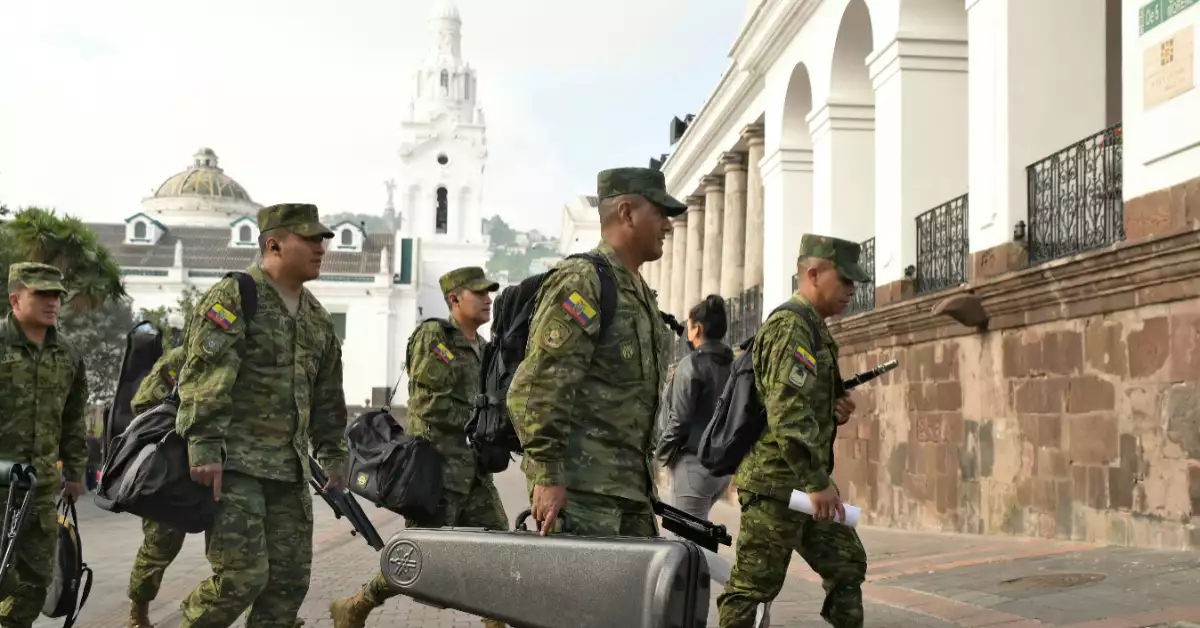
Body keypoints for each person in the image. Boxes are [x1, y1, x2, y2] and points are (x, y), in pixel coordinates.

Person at [175, 203, 349, 628]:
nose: (320, 247)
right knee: (241, 578)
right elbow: (205, 375)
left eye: (322, 239)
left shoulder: (317, 319)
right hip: (236, 468)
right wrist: (203, 445)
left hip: (290, 474)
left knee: (288, 583)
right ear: (273, 244)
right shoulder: (236, 295)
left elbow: (327, 397)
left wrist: (335, 454)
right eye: (309, 239)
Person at [507, 166, 683, 537]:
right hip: (581, 494)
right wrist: (549, 475)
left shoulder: (638, 292)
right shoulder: (583, 282)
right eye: (660, 213)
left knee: (641, 594)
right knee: (579, 596)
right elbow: (537, 388)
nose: (668, 226)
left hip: (629, 493)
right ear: (627, 213)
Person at [330, 266, 508, 628]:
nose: (488, 299)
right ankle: (356, 605)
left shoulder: (487, 350)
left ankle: (497, 622)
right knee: (419, 557)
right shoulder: (435, 337)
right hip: (436, 473)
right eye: (479, 293)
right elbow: (429, 404)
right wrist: (483, 419)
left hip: (474, 472)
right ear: (454, 299)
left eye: (490, 292)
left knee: (501, 551)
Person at [715, 234, 871, 628]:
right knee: (753, 586)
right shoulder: (791, 327)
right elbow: (787, 415)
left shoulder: (814, 327)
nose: (853, 290)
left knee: (847, 563)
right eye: (846, 280)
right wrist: (817, 482)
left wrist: (833, 408)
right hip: (776, 485)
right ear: (814, 274)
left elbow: (794, 403)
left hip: (800, 485)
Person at [0, 262, 89, 628]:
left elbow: (73, 418)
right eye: (42, 294)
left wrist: (75, 472)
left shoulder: (68, 354)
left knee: (37, 581)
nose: (53, 302)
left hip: (39, 489)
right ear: (15, 298)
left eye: (57, 295)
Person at [655, 294, 734, 525]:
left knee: (688, 540)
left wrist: (661, 452)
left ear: (697, 328)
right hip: (721, 466)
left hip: (693, 465)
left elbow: (680, 420)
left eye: (688, 325)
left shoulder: (691, 365)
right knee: (698, 536)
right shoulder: (733, 365)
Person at [125, 345, 187, 628]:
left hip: (231, 464)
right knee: (160, 543)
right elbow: (142, 404)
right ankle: (138, 613)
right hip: (175, 466)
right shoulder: (179, 357)